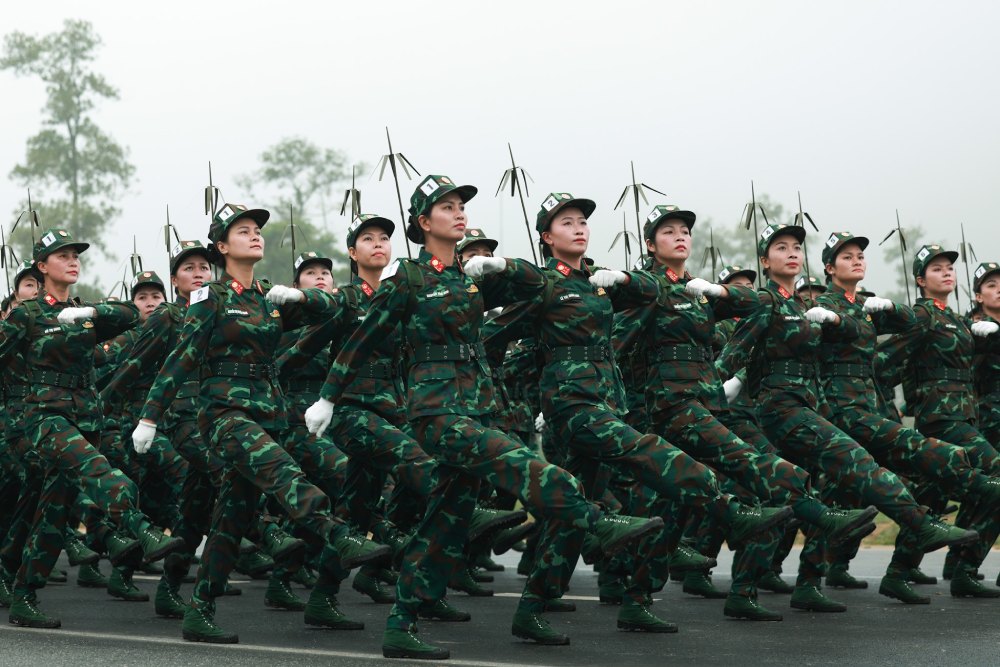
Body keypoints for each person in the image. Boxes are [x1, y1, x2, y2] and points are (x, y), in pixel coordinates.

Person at [305, 176, 668, 660]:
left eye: (461, 206)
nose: (459, 213)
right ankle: (597, 523)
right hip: (437, 414)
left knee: (443, 525)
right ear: (422, 222)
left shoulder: (471, 278)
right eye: (447, 207)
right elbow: (362, 339)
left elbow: (541, 282)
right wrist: (328, 397)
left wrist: (501, 265)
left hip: (475, 408)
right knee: (539, 473)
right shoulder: (407, 279)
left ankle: (401, 623)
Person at [484, 192, 799, 635]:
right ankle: (728, 512)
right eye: (566, 222)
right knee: (650, 452)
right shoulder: (544, 283)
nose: (578, 228)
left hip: (604, 402)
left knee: (572, 515)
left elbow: (649, 297)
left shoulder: (600, 283)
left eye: (582, 221)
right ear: (546, 237)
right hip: (572, 408)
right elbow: (491, 339)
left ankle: (531, 609)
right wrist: (500, 397)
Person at [131, 204, 389, 644]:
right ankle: (337, 533)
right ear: (221, 247)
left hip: (265, 415)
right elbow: (180, 360)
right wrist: (149, 417)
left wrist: (304, 296)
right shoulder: (210, 298)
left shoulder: (267, 297)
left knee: (232, 517)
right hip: (224, 417)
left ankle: (201, 608)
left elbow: (328, 309)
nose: (254, 236)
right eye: (243, 231)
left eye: (256, 230)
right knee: (281, 471)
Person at [613, 205, 877, 619]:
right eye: (668, 231)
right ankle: (817, 516)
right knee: (749, 467)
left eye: (685, 230)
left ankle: (639, 598)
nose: (681, 236)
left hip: (705, 404)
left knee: (672, 505)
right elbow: (617, 346)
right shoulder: (650, 290)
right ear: (650, 244)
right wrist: (613, 401)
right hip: (670, 407)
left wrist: (721, 307)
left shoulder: (693, 291)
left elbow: (747, 314)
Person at [717, 225, 979, 611]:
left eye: (795, 247)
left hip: (811, 406)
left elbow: (913, 324)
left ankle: (756, 590)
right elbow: (736, 348)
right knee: (853, 463)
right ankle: (919, 522)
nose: (791, 253)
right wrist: (721, 386)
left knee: (791, 494)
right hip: (786, 410)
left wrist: (884, 309)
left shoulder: (802, 307)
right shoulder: (770, 301)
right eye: (781, 248)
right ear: (764, 260)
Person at [0, 228, 185, 628]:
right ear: (41, 266)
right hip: (44, 420)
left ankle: (23, 595)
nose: (72, 260)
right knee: (99, 472)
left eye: (75, 255)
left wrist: (91, 315)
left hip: (85, 420)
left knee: (51, 515)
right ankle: (141, 528)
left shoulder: (85, 314)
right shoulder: (26, 315)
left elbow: (128, 314)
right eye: (62, 255)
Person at [875, 245, 1000, 596]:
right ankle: (964, 568)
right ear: (921, 280)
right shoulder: (923, 316)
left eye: (949, 268)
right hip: (942, 419)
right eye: (936, 269)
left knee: (931, 496)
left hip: (963, 417)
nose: (946, 272)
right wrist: (897, 400)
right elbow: (884, 361)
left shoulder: (957, 320)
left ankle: (898, 572)